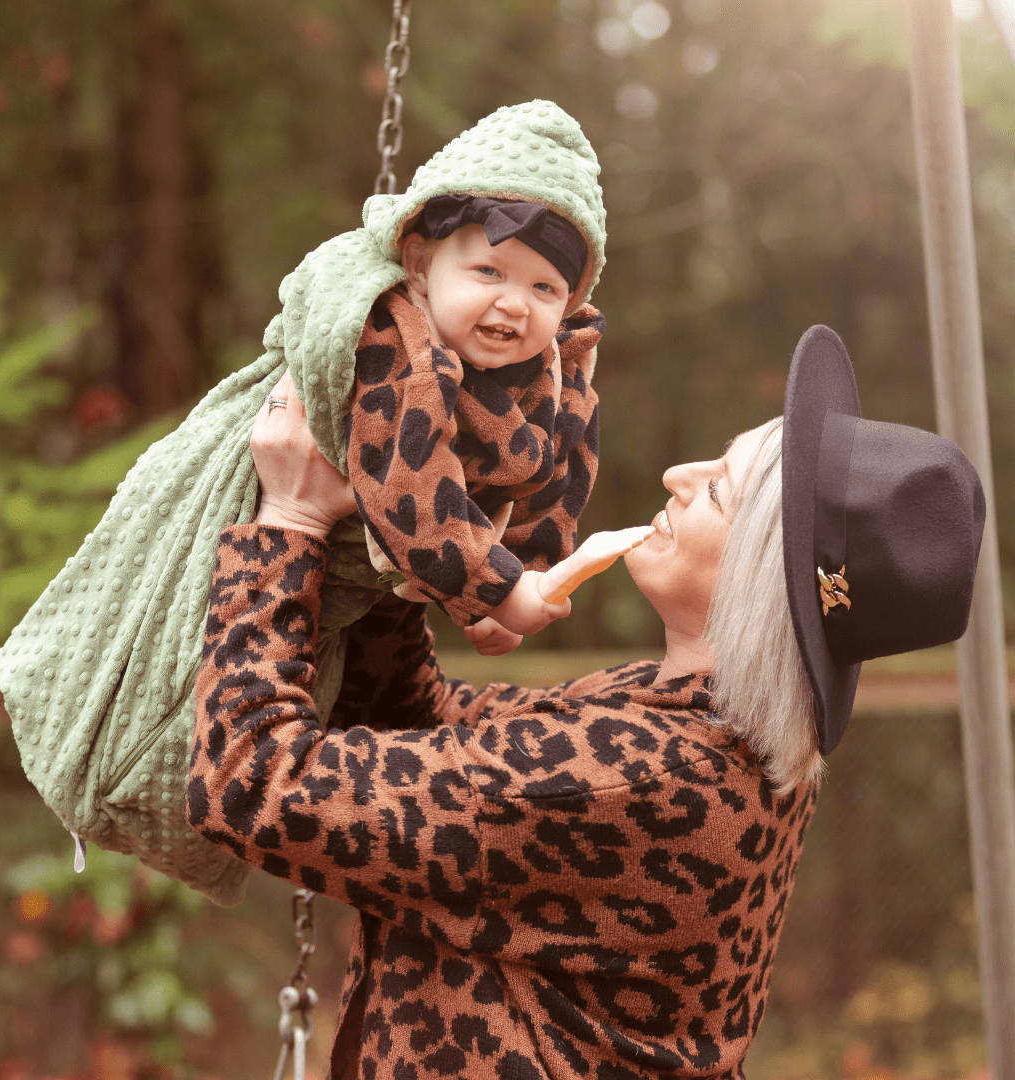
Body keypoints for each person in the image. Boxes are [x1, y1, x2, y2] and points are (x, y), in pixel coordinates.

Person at [187, 326, 984, 1077]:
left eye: (718, 490)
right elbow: (418, 735)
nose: (680, 478)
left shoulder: (641, 778)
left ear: (758, 574)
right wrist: (421, 545)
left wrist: (287, 522)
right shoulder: (690, 727)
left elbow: (251, 783)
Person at [262, 100, 607, 731]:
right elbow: (408, 481)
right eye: (487, 271)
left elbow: (564, 470)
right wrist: (498, 590)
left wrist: (529, 575)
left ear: (571, 301)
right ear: (420, 265)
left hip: (386, 597)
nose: (514, 304)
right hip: (282, 548)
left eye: (544, 288)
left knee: (359, 713)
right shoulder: (396, 338)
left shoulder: (557, 368)